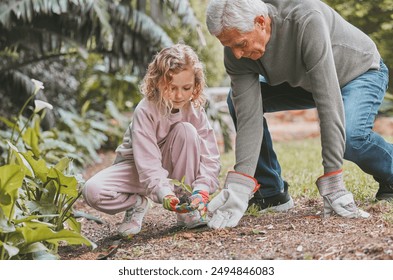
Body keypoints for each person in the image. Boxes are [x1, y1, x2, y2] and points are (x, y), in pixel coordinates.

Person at [205, 0, 391, 229]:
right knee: (235, 102)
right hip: (307, 83)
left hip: (358, 72)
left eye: (240, 44)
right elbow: (248, 116)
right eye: (229, 45)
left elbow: (328, 99)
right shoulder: (236, 53)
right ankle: (272, 193)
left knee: (350, 138)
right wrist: (240, 186)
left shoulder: (305, 19)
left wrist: (333, 181)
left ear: (261, 23)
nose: (237, 53)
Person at [82, 43, 221, 237]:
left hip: (174, 168)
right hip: (137, 167)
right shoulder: (145, 110)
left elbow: (209, 155)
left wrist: (203, 188)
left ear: (195, 86)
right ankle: (137, 204)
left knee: (186, 131)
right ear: (158, 82)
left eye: (186, 88)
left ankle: (187, 206)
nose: (179, 95)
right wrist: (163, 191)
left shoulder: (195, 111)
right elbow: (147, 163)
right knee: (92, 191)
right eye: (171, 88)